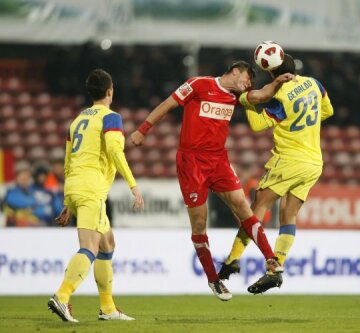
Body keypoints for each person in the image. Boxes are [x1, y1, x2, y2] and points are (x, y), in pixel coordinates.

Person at [131, 61, 292, 301]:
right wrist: (143, 129)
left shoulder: (237, 97)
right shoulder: (199, 84)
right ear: (235, 71)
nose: (249, 84)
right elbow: (168, 104)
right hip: (191, 163)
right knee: (199, 224)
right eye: (248, 78)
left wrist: (277, 81)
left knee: (244, 208)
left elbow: (260, 95)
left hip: (218, 161)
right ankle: (214, 280)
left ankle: (271, 258)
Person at [218, 54, 334, 294]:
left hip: (290, 160)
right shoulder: (314, 84)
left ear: (273, 74)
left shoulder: (280, 96)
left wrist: (248, 103)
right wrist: (304, 124)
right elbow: (327, 111)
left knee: (258, 207)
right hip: (314, 162)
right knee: (288, 215)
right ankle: (275, 270)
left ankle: (232, 259)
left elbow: (258, 125)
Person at [48, 69, 144, 322]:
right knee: (89, 247)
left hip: (76, 186)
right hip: (92, 189)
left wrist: (69, 201)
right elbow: (115, 150)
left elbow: (68, 161)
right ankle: (62, 296)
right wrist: (133, 185)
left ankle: (108, 308)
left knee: (107, 244)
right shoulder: (110, 117)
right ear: (110, 91)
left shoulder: (77, 120)